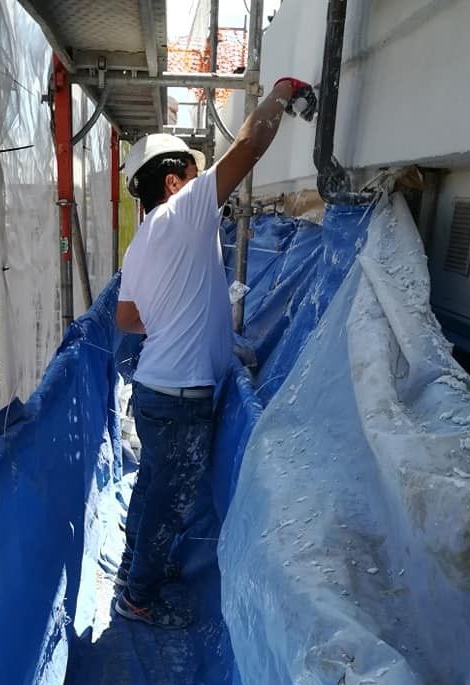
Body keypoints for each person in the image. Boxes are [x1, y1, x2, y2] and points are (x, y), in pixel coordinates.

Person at [114, 77, 317, 628]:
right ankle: (138, 596)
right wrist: (280, 93)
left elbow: (127, 319)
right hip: (179, 401)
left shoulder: (140, 244)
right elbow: (248, 147)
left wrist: (175, 315)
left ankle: (136, 564)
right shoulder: (185, 212)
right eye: (193, 176)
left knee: (153, 487)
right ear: (176, 180)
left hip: (156, 395)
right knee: (169, 502)